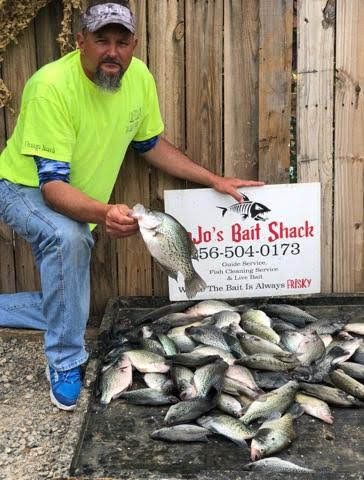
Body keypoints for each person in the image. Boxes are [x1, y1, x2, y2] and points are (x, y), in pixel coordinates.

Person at [0, 0, 264, 411]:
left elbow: (150, 144)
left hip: (67, 190)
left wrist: (214, 179)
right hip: (22, 188)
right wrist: (103, 213)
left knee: (68, 297)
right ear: (80, 41)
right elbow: (52, 188)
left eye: (122, 42)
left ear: (134, 45)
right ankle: (66, 361)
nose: (112, 51)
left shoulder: (137, 77)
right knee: (69, 237)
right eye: (101, 40)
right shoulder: (51, 86)